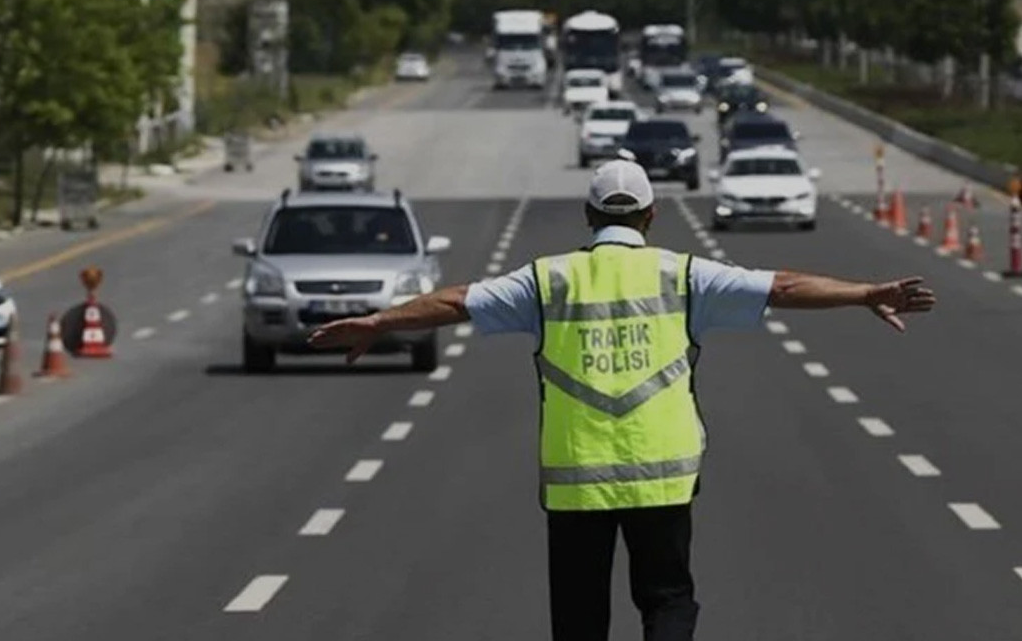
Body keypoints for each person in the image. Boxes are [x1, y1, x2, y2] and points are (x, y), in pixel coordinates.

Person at [308, 160, 937, 641]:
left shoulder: (547, 280)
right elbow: (783, 286)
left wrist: (379, 322)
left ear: (588, 216)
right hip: (662, 475)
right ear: (651, 215)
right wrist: (862, 293)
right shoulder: (685, 274)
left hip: (577, 479)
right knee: (667, 599)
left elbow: (453, 302)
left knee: (580, 616)